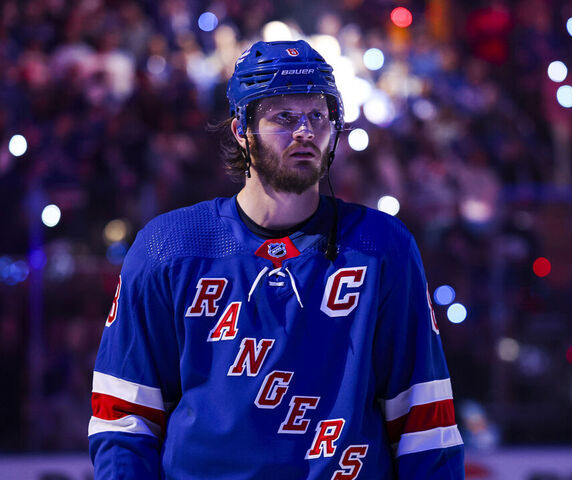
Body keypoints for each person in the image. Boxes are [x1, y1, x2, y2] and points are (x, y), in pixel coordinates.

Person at [89, 39, 465, 479]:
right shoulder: (168, 247)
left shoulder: (383, 248)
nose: (305, 131)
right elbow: (125, 418)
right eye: (285, 117)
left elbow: (424, 422)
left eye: (318, 116)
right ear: (240, 130)